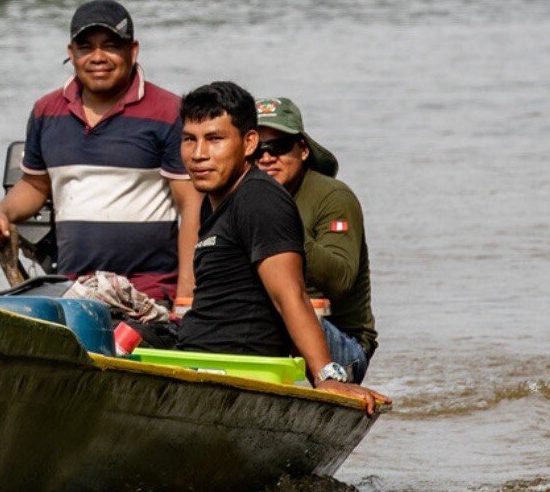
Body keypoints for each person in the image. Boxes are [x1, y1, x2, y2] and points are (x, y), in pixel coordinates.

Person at [139, 81, 384, 405]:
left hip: (239, 366)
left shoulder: (260, 200)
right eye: (189, 140)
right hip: (201, 353)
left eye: (214, 139)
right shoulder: (213, 200)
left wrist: (326, 377)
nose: (199, 154)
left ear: (247, 142)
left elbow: (289, 294)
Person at [0, 0, 203, 305]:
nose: (98, 57)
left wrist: (185, 300)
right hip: (72, 292)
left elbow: (191, 205)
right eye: (86, 47)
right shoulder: (46, 112)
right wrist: (1, 214)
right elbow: (34, 185)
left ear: (133, 51)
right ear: (72, 53)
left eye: (110, 46)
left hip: (147, 294)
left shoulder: (168, 112)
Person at [254, 97, 376, 380]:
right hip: (268, 325)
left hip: (343, 343)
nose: (267, 158)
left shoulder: (333, 197)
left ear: (303, 150)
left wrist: (284, 230)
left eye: (279, 147)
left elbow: (341, 279)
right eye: (257, 150)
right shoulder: (243, 198)